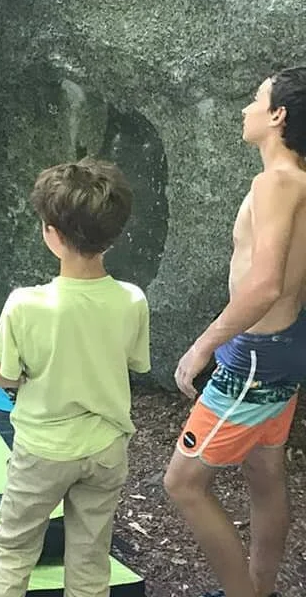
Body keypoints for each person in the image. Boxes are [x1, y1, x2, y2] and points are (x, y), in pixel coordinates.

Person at [164, 67, 306, 597]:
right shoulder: (302, 182)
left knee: (182, 483)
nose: (246, 109)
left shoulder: (274, 183)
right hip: (288, 346)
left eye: (255, 99)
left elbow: (265, 284)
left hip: (253, 359)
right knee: (265, 471)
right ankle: (261, 589)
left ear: (278, 115)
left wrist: (205, 344)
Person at [0, 158, 151, 597]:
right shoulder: (132, 300)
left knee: (12, 549)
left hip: (42, 450)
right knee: (91, 558)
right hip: (106, 448)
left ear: (50, 233)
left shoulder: (25, 304)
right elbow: (132, 363)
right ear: (113, 235)